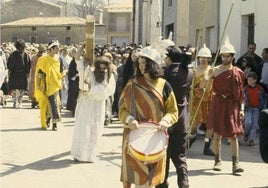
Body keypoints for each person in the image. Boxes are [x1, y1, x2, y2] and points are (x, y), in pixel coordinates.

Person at [118, 46, 178, 188]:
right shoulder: (132, 84)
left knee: (150, 181)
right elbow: (122, 109)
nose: (141, 66)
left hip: (155, 137)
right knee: (136, 177)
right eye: (139, 63)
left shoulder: (164, 85)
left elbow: (173, 111)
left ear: (154, 64)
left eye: (145, 63)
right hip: (134, 136)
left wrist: (165, 120)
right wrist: (129, 119)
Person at [206, 36, 245, 174]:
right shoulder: (214, 70)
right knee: (217, 134)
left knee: (233, 135)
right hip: (218, 103)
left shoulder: (238, 72)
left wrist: (242, 108)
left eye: (228, 56)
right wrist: (208, 76)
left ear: (232, 57)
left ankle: (236, 163)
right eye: (223, 56)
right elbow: (203, 85)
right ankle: (217, 160)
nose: (225, 58)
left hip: (232, 104)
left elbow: (241, 93)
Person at [156, 45, 192, 188]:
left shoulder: (164, 73)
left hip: (166, 117)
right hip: (182, 117)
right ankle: (184, 182)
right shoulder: (188, 72)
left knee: (163, 152)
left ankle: (162, 182)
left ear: (169, 58)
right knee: (180, 154)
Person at [71, 53, 116, 162]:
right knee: (82, 128)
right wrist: (82, 49)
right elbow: (78, 60)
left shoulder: (109, 76)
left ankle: (90, 155)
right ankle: (79, 154)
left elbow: (108, 90)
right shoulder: (89, 72)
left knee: (94, 129)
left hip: (98, 105)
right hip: (86, 103)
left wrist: (92, 88)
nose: (102, 70)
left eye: (104, 68)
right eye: (100, 67)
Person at [188, 44, 214, 156]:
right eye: (201, 57)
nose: (203, 59)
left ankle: (207, 147)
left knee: (210, 125)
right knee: (193, 126)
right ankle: (191, 140)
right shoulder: (193, 71)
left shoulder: (212, 70)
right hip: (196, 101)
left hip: (209, 100)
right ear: (198, 58)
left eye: (205, 57)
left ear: (209, 59)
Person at [35, 41, 65, 130]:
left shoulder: (59, 59)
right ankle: (48, 120)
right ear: (51, 49)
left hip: (56, 85)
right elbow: (40, 73)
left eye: (58, 48)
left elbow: (61, 72)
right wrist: (38, 84)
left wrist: (63, 83)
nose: (58, 50)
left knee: (56, 104)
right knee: (48, 104)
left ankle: (54, 124)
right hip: (46, 85)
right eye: (56, 48)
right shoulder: (44, 59)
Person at [7, 39, 31, 108]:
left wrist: (27, 73)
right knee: (14, 89)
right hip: (14, 73)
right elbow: (9, 64)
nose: (21, 48)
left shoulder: (25, 54)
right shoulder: (13, 54)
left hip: (22, 74)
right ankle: (15, 101)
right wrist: (10, 71)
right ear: (17, 47)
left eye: (22, 47)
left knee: (22, 89)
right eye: (20, 47)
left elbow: (28, 64)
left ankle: (20, 101)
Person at [243, 72, 265, 146]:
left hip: (256, 109)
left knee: (255, 125)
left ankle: (251, 140)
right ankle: (246, 133)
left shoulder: (260, 88)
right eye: (248, 80)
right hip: (248, 108)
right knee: (247, 123)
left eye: (251, 80)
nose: (249, 81)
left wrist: (261, 108)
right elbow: (243, 99)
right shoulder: (245, 89)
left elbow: (262, 99)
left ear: (255, 80)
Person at [66, 48, 79, 117]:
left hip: (78, 81)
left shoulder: (78, 61)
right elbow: (70, 72)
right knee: (74, 97)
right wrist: (75, 75)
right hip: (74, 82)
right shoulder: (73, 61)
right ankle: (74, 110)